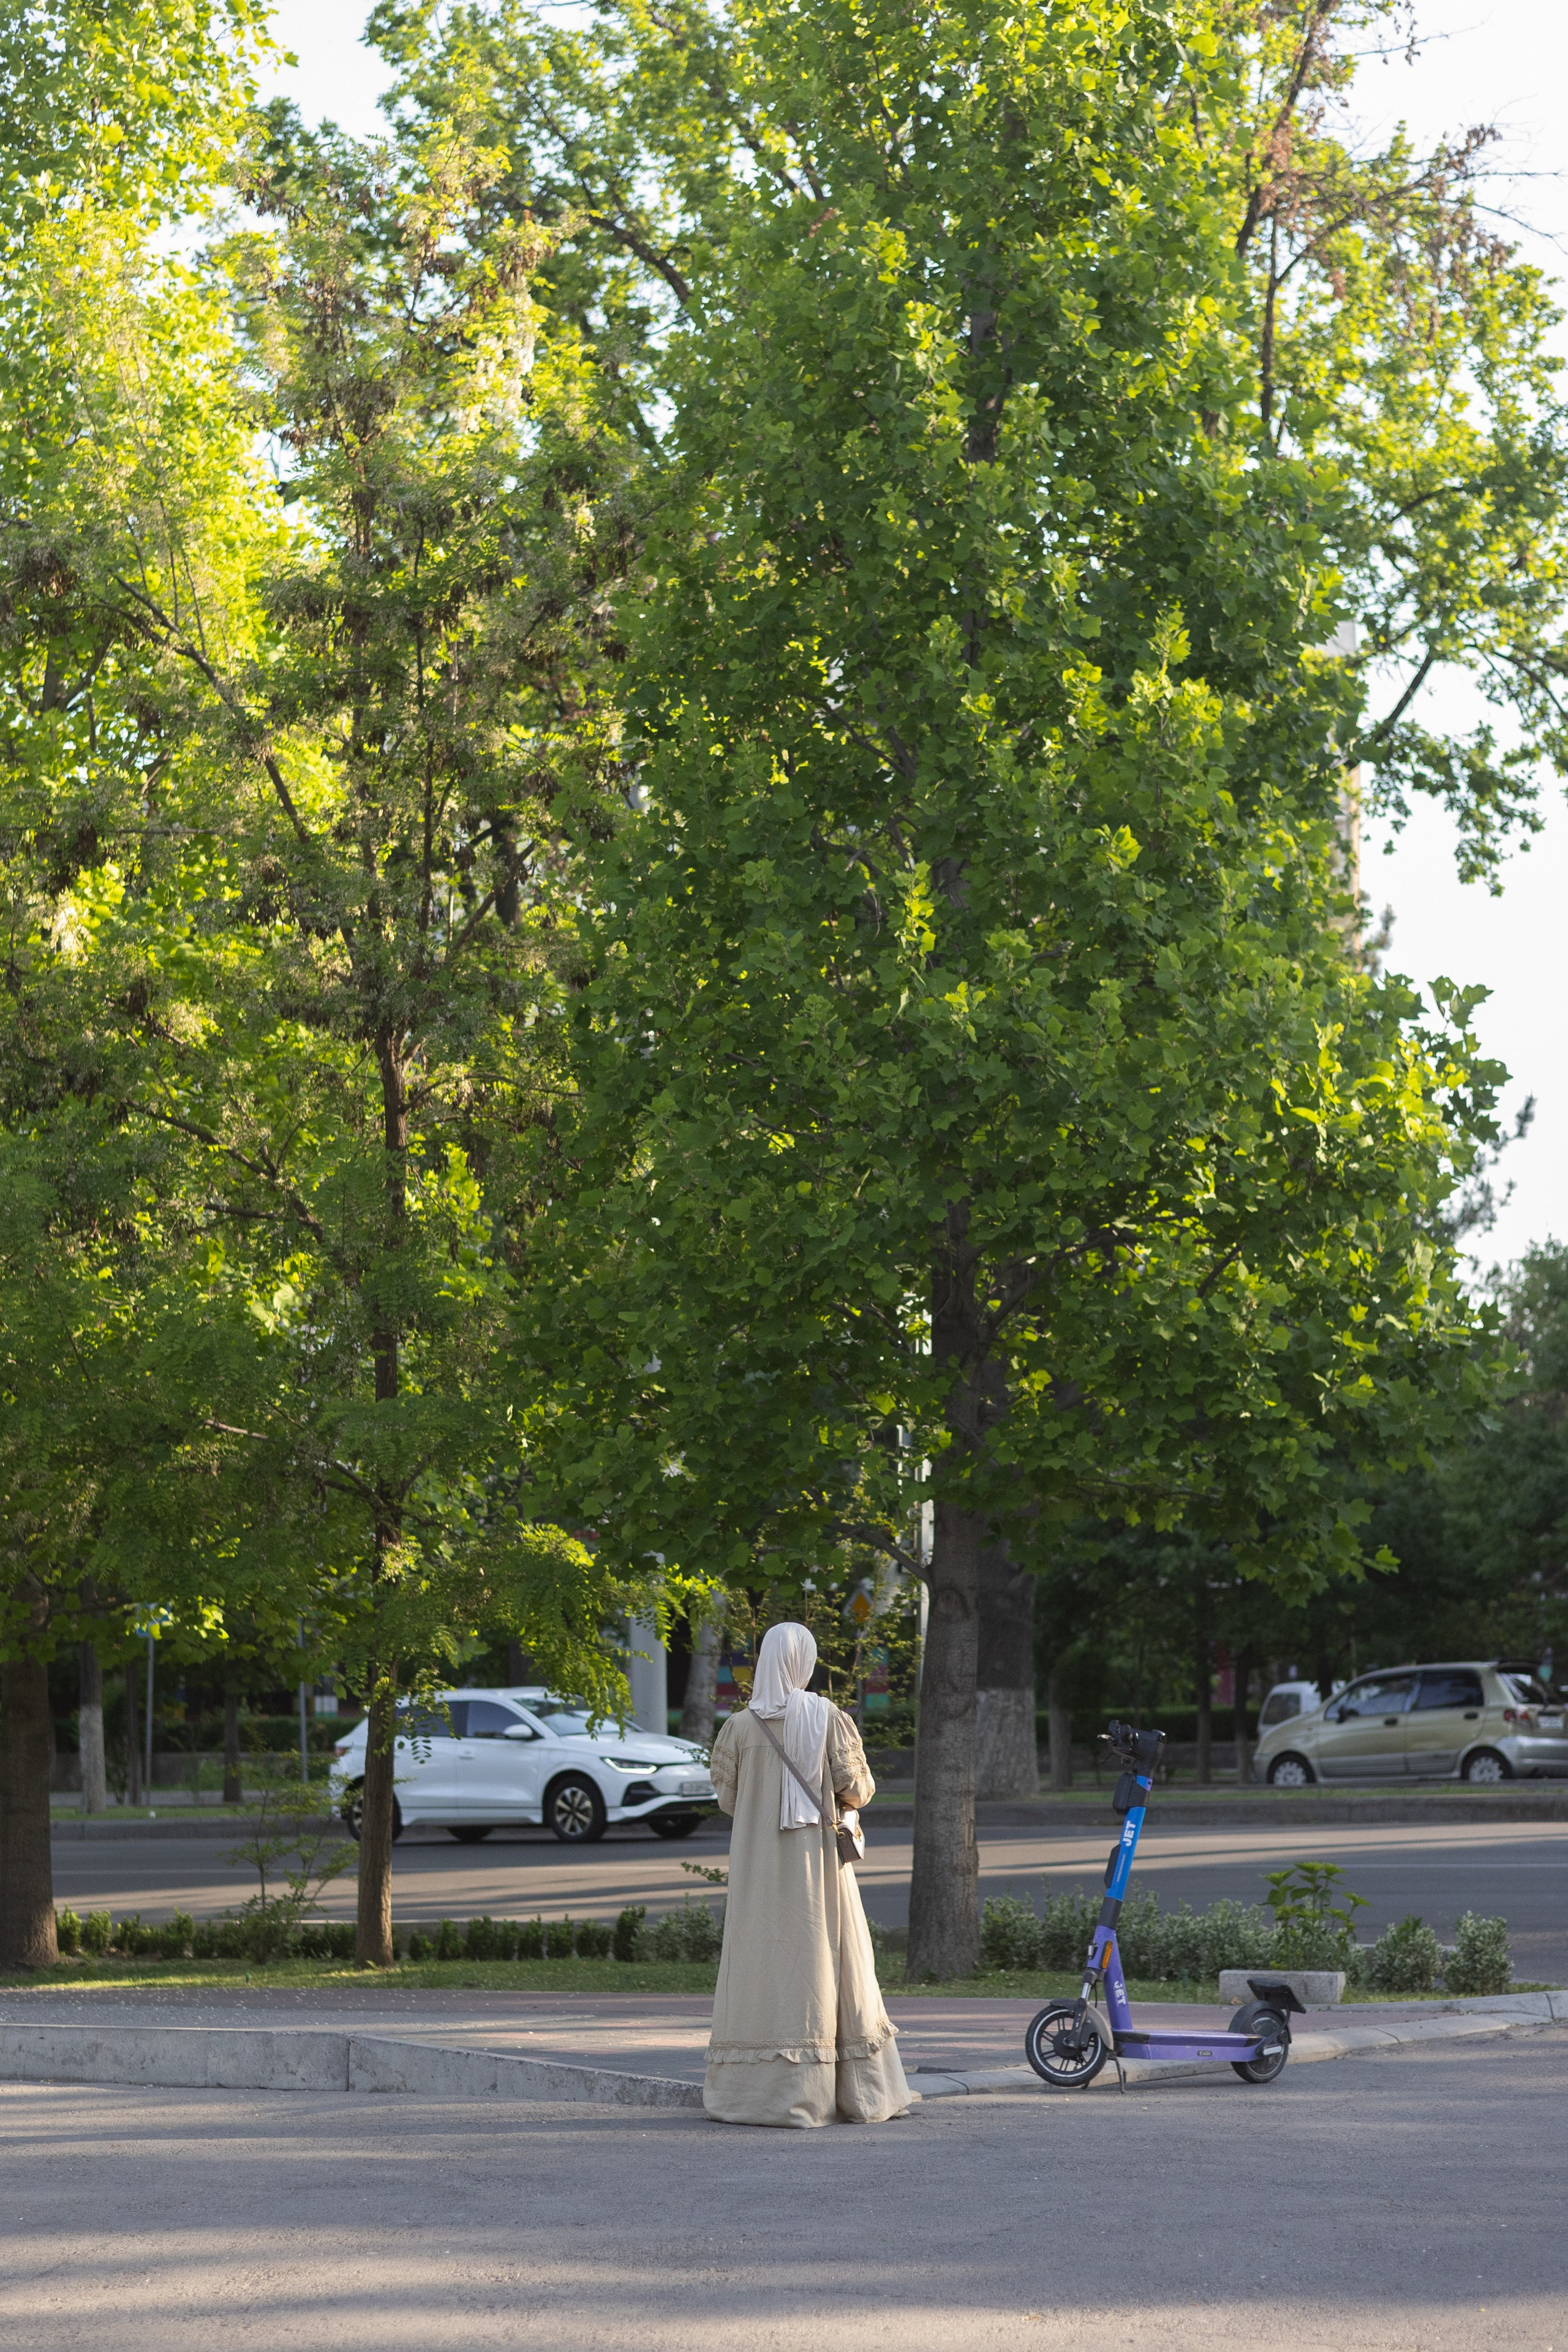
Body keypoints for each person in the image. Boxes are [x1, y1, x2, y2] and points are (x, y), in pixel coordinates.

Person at [703, 1619, 914, 2128]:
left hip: (759, 1870)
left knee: (760, 1971)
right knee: (831, 1963)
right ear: (805, 1661)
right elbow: (857, 1789)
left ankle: (758, 2098)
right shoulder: (829, 1718)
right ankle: (853, 2095)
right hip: (818, 1868)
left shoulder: (738, 1727)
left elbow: (728, 1799)